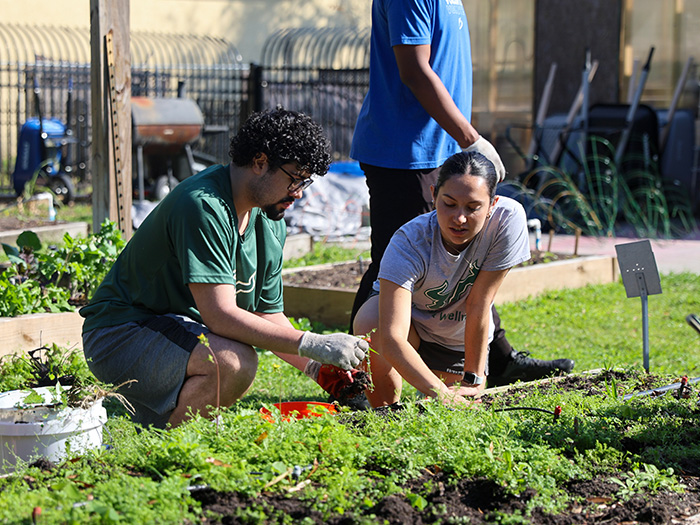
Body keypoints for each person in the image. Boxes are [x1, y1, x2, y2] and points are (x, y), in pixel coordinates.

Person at [80, 108, 368, 429]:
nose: (298, 193)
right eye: (294, 179)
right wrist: (312, 342)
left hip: (176, 331)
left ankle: (166, 424)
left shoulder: (269, 222)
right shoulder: (203, 205)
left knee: (233, 357)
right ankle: (168, 444)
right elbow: (220, 316)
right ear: (260, 163)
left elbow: (265, 314)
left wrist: (318, 366)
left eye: (305, 181)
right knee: (233, 362)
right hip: (119, 334)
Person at [349, 0, 573, 386]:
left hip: (441, 150)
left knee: (470, 255)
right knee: (389, 269)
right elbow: (415, 71)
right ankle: (356, 375)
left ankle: (498, 359)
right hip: (406, 154)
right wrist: (470, 138)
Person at [353, 151, 528, 406]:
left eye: (473, 208)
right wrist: (443, 393)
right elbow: (392, 337)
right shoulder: (408, 243)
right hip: (409, 328)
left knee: (454, 412)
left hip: (455, 334)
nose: (459, 218)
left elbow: (480, 302)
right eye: (449, 203)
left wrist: (473, 380)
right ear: (433, 195)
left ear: (492, 204)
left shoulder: (507, 221)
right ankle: (384, 410)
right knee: (372, 322)